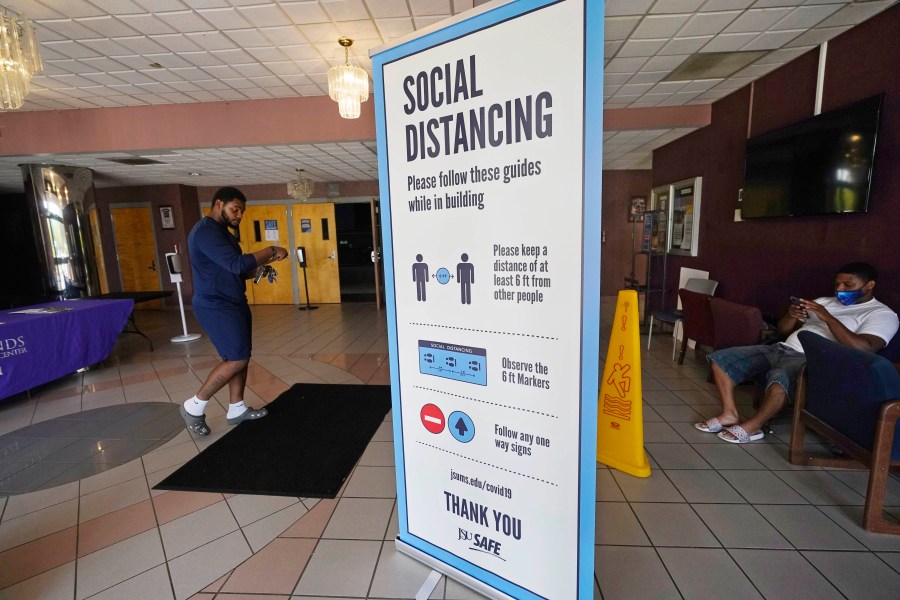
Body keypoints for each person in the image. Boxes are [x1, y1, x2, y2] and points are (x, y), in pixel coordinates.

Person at [695, 262, 898, 444]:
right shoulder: (824, 301)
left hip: (813, 360)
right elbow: (783, 330)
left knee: (780, 378)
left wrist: (827, 317)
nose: (840, 290)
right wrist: (791, 316)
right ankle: (730, 414)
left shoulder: (882, 314)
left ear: (869, 285)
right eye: (837, 284)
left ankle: (755, 426)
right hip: (781, 348)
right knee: (721, 359)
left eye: (848, 285)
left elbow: (864, 348)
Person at [180, 186, 289, 436]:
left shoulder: (222, 233)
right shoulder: (206, 231)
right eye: (235, 209)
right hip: (216, 305)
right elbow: (236, 263)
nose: (239, 215)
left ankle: (236, 409)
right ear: (219, 204)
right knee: (237, 358)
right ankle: (194, 406)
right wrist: (271, 250)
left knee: (239, 356)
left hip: (232, 301)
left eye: (242, 211)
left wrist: (261, 268)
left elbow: (236, 270)